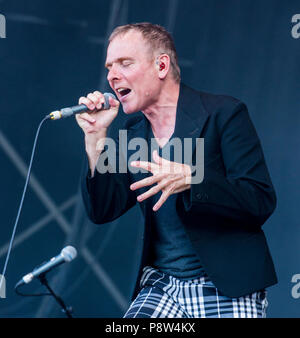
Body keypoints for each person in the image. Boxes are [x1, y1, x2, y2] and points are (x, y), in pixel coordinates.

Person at [75, 22, 277, 318]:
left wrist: (194, 180)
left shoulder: (224, 114)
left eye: (124, 63)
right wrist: (95, 137)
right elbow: (102, 209)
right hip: (162, 286)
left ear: (161, 65)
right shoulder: (133, 133)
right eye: (109, 67)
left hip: (224, 285)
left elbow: (260, 200)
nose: (112, 76)